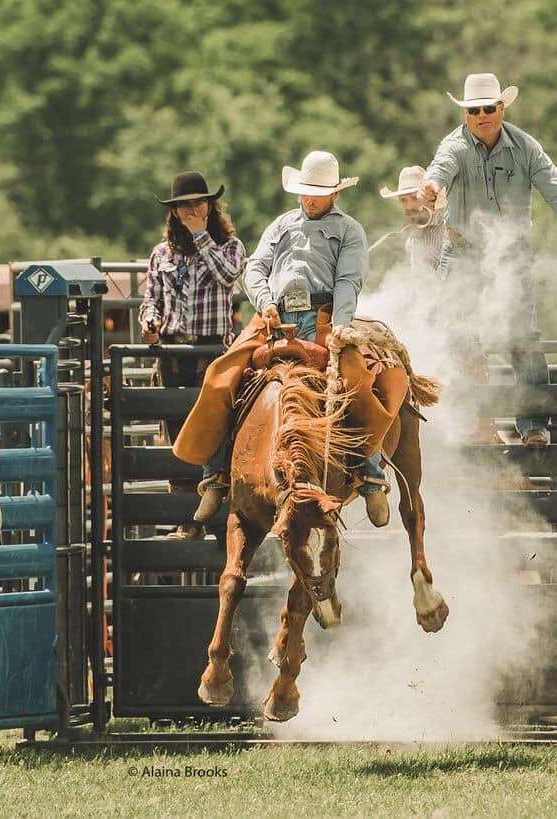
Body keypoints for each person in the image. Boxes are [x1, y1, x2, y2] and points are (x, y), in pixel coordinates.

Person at [173, 150, 392, 527]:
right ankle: (215, 475)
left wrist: (339, 326)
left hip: (322, 316)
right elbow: (256, 266)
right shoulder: (281, 224)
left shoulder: (348, 230)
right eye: (305, 191)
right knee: (221, 375)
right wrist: (264, 301)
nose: (309, 198)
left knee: (353, 377)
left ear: (334, 195)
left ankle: (371, 474)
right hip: (273, 316)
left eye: (317, 193)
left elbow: (348, 280)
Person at [418, 72, 557, 449]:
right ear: (466, 115)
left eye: (488, 108)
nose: (481, 115)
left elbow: (553, 187)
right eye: (474, 109)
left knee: (522, 339)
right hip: (462, 253)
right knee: (458, 335)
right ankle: (471, 422)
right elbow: (439, 170)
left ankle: (533, 426)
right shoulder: (454, 146)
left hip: (511, 257)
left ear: (501, 108)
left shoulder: (526, 147)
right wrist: (431, 188)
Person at [138, 171, 246, 540]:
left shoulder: (230, 246)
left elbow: (227, 275)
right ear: (174, 211)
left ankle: (219, 521)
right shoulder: (161, 253)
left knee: (213, 432)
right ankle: (187, 520)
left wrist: (201, 235)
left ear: (211, 206)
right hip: (172, 351)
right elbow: (151, 297)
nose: (192, 209)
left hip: (211, 350)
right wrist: (149, 322)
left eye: (199, 202)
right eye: (185, 204)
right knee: (176, 432)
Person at [379, 165, 445, 272]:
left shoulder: (447, 232)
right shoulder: (411, 240)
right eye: (403, 200)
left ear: (429, 198)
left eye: (414, 198)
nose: (409, 206)